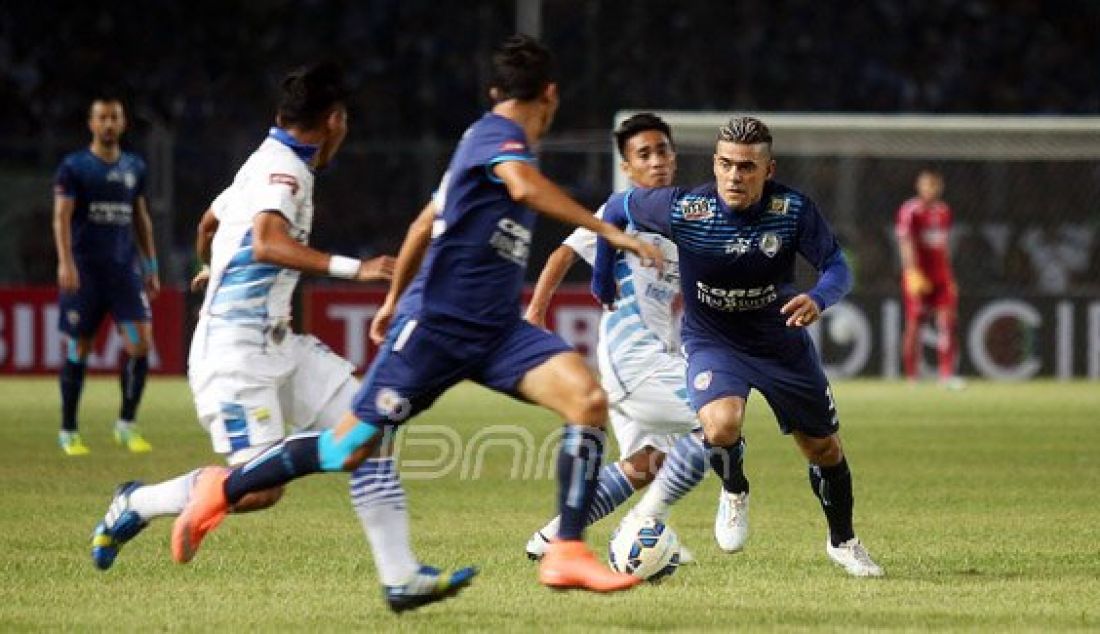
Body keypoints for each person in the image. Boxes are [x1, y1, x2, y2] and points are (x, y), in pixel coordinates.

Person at [166, 34, 662, 594]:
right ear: (550, 94)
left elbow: (423, 225)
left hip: (496, 329)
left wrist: (390, 297)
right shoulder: (497, 138)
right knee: (346, 447)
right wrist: (607, 231)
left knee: (587, 401)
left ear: (499, 89)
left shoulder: (480, 145)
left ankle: (567, 549)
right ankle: (222, 489)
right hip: (439, 329)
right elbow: (522, 188)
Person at [88, 62, 475, 613]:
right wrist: (356, 269)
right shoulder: (284, 173)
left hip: (280, 344)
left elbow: (208, 223)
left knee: (373, 430)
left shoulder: (266, 163)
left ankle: (401, 578)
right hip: (234, 354)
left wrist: (211, 267)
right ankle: (139, 501)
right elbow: (268, 242)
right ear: (335, 121)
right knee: (261, 488)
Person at [591, 116, 884, 577]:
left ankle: (842, 541)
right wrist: (601, 275)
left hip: (780, 342)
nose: (734, 176)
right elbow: (613, 209)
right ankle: (734, 488)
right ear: (714, 164)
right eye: (725, 164)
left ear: (767, 170)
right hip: (714, 341)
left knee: (824, 449)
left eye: (746, 167)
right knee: (721, 424)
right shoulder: (686, 208)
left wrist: (819, 297)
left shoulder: (792, 210)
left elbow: (835, 266)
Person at [523, 113, 732, 560]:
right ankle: (643, 526)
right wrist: (537, 310)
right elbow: (563, 253)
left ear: (674, 157)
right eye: (644, 154)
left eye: (662, 151)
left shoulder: (683, 218)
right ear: (628, 166)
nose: (656, 161)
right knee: (716, 418)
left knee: (647, 465)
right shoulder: (620, 213)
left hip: (658, 353)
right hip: (632, 357)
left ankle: (552, 537)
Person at [52, 97, 159, 456]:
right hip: (86, 274)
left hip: (124, 273)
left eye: (114, 117)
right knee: (80, 346)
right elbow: (61, 217)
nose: (109, 124)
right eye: (102, 117)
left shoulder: (135, 167)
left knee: (140, 344)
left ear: (123, 122)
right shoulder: (75, 167)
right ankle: (69, 430)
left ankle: (126, 424)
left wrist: (151, 267)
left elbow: (141, 218)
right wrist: (65, 262)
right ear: (91, 123)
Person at [895, 168, 964, 389]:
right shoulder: (910, 211)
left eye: (934, 185)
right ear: (919, 186)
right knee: (915, 324)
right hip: (918, 276)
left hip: (940, 276)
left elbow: (943, 247)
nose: (931, 189)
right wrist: (912, 272)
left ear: (940, 187)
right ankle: (912, 376)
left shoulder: (944, 211)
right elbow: (906, 243)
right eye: (927, 184)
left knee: (947, 321)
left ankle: (946, 374)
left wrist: (950, 276)